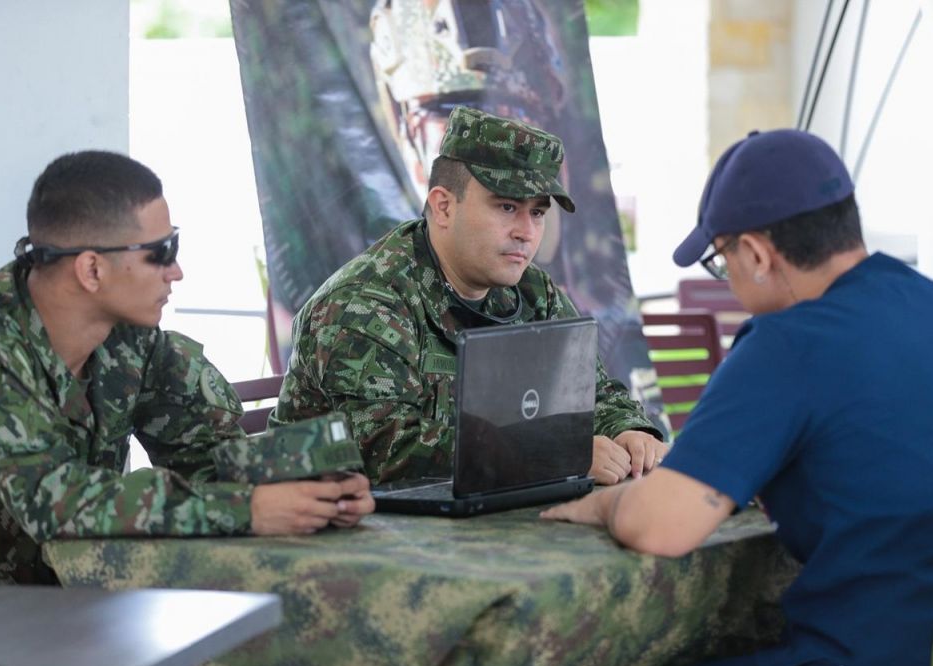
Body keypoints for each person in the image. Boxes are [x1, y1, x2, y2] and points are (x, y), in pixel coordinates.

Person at [541, 129, 933, 666]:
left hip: (861, 663)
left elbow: (661, 526)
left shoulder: (787, 343)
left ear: (758, 253)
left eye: (721, 262)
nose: (730, 281)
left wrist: (601, 504)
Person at [0, 151, 374, 585]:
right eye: (161, 253)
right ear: (92, 269)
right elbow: (52, 498)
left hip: (72, 600)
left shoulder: (133, 335)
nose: (177, 271)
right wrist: (248, 509)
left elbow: (210, 454)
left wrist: (316, 487)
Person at [272, 106, 667, 484]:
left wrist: (629, 431)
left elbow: (594, 393)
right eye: (507, 206)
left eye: (538, 213)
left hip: (469, 524)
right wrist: (555, 453)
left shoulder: (533, 293)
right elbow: (386, 450)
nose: (526, 232)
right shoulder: (366, 301)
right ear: (443, 206)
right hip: (341, 532)